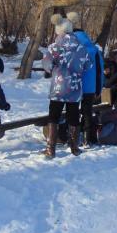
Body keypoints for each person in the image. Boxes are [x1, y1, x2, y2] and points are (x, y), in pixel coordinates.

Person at [42, 14, 92, 158]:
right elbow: (88, 65)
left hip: (58, 86)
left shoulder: (54, 47)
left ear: (58, 30)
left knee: (54, 115)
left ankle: (50, 149)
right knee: (73, 115)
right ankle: (74, 147)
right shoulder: (81, 47)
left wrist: (53, 70)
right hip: (74, 88)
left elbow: (46, 64)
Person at [71, 12, 105, 148]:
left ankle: (73, 138)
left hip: (72, 87)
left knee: (72, 113)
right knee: (87, 112)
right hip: (90, 88)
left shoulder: (71, 47)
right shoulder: (94, 50)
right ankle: (87, 138)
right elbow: (99, 72)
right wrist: (99, 89)